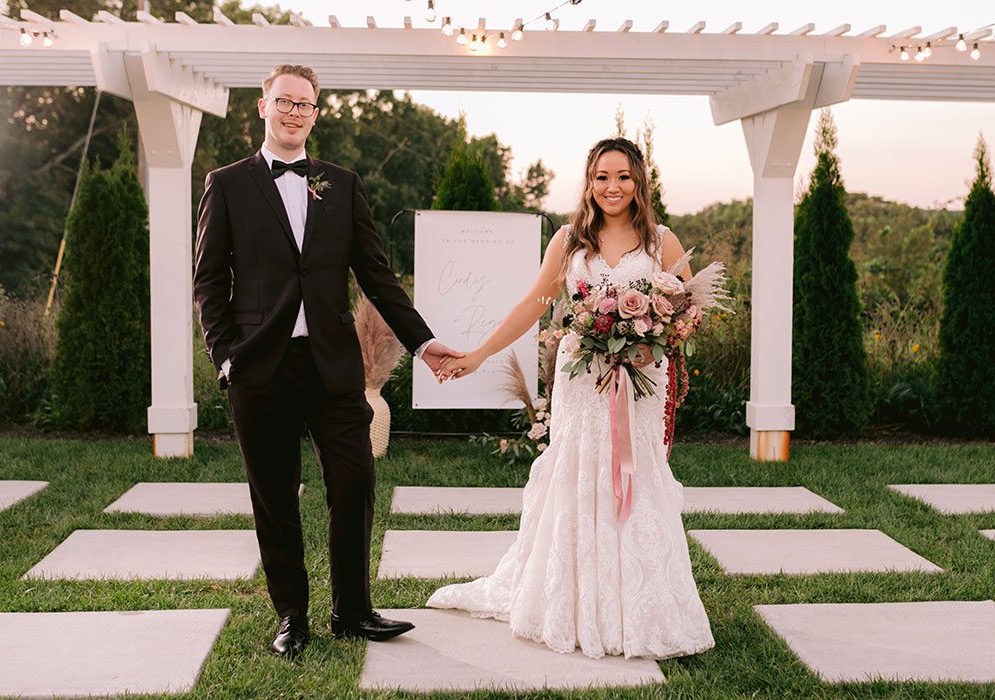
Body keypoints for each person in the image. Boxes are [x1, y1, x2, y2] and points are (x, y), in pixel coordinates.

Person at [194, 64, 459, 658]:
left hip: (334, 366)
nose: (294, 112)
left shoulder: (342, 183)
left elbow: (376, 276)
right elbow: (209, 280)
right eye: (283, 101)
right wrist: (225, 356)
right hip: (259, 369)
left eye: (305, 105)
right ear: (262, 107)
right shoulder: (228, 183)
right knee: (275, 495)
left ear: (316, 114)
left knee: (355, 479)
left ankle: (353, 610)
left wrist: (422, 342)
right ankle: (292, 615)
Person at [428, 138, 715, 660]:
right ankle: (575, 603)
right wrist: (477, 354)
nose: (612, 187)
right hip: (581, 383)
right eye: (602, 176)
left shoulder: (663, 243)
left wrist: (651, 338)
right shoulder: (568, 241)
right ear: (588, 182)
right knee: (580, 475)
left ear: (640, 183)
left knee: (635, 478)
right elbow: (532, 306)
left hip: (640, 384)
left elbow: (689, 313)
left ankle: (643, 610)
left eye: (623, 176)